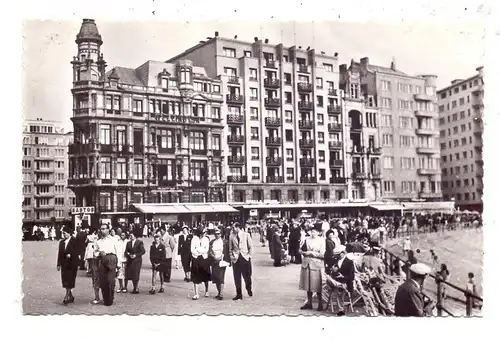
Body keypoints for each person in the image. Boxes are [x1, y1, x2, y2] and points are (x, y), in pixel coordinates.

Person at [298, 224, 325, 311]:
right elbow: (300, 250)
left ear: (318, 233)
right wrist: (304, 252)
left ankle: (320, 304)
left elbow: (322, 254)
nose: (313, 233)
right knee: (307, 284)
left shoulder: (321, 241)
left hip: (316, 264)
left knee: (317, 284)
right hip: (306, 263)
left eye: (315, 232)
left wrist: (311, 253)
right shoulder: (306, 240)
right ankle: (309, 303)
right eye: (312, 231)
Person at [94, 224, 119, 306]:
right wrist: (99, 253)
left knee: (110, 280)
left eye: (104, 229)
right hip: (102, 260)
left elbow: (118, 251)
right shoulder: (98, 241)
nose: (102, 230)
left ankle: (110, 298)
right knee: (103, 281)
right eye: (101, 229)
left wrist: (118, 265)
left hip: (112, 258)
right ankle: (106, 300)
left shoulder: (114, 240)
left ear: (108, 230)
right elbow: (95, 253)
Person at [229, 222, 254, 300]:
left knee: (247, 276)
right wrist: (232, 257)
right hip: (236, 259)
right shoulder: (231, 236)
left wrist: (249, 256)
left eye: (233, 228)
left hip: (245, 258)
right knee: (237, 277)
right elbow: (230, 249)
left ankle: (248, 288)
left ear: (238, 227)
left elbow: (250, 247)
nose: (232, 229)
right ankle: (239, 294)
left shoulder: (246, 235)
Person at [329, 244, 355, 316]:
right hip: (337, 281)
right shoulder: (336, 261)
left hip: (346, 282)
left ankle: (341, 310)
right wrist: (334, 271)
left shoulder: (349, 262)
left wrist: (343, 276)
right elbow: (333, 274)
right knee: (338, 288)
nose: (336, 256)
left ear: (343, 253)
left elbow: (351, 276)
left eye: (338, 254)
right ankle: (341, 308)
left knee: (340, 290)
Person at [56, 226, 80, 305]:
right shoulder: (62, 242)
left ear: (69, 233)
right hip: (64, 264)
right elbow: (59, 254)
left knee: (70, 280)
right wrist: (58, 264)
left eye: (65, 233)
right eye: (63, 233)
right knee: (65, 280)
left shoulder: (74, 241)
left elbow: (78, 251)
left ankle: (66, 296)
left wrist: (71, 255)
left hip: (72, 264)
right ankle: (71, 296)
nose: (64, 235)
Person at [208, 227, 231, 300]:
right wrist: (213, 256)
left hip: (222, 261)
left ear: (221, 234)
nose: (217, 235)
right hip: (214, 261)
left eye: (218, 234)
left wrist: (223, 258)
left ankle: (221, 293)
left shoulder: (225, 242)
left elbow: (226, 251)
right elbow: (209, 251)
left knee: (221, 277)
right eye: (215, 234)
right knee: (216, 277)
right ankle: (218, 292)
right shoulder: (212, 242)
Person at [190, 227, 211, 300]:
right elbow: (192, 250)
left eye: (204, 233)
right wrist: (198, 252)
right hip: (196, 258)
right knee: (195, 276)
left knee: (205, 275)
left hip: (204, 258)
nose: (203, 235)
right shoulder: (194, 239)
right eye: (202, 233)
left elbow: (206, 249)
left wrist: (199, 250)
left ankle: (206, 291)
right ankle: (196, 294)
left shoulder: (206, 239)